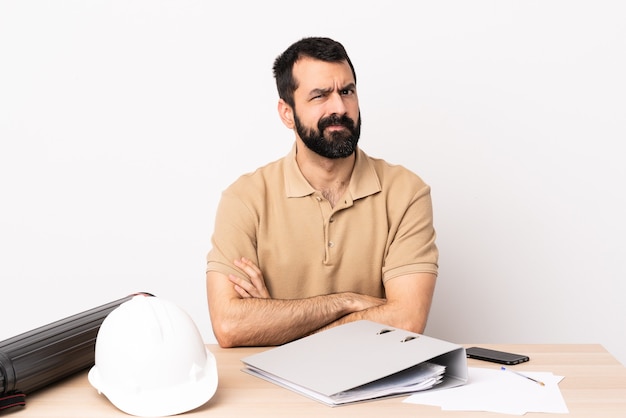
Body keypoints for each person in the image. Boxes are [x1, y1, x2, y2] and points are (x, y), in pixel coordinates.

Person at [205, 37, 438, 348]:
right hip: (272, 390)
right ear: (287, 113)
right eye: (320, 96)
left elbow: (408, 320)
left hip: (374, 383)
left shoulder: (406, 193)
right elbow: (230, 325)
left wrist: (276, 322)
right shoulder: (245, 198)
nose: (339, 108)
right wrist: (348, 301)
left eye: (347, 91)